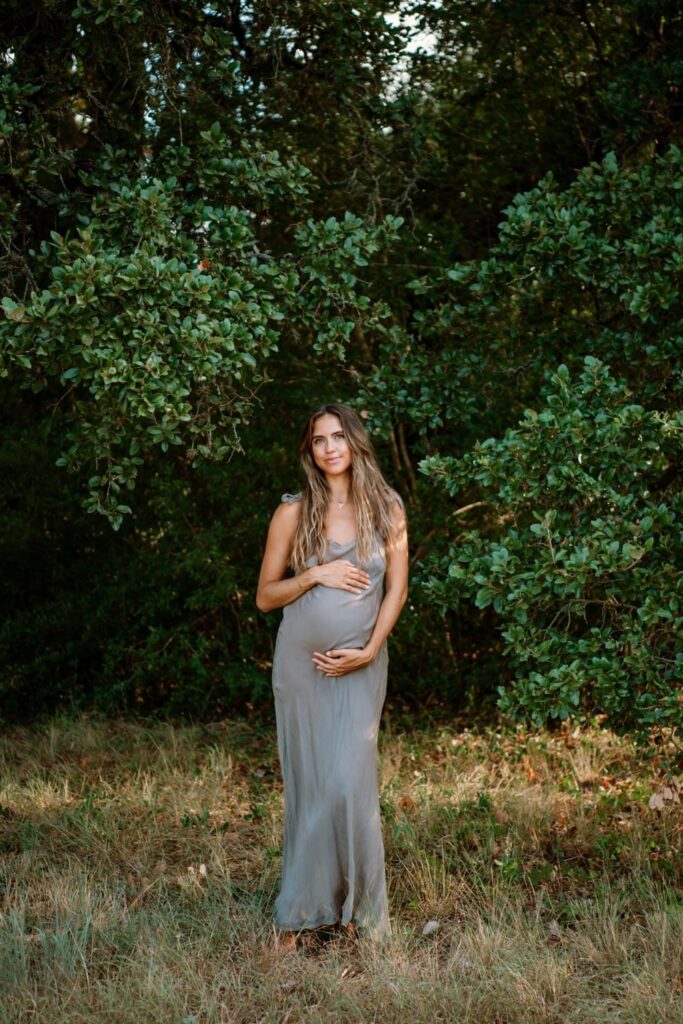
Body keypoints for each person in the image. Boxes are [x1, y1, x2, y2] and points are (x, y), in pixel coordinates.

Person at [256, 402, 409, 951]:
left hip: (361, 665)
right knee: (311, 787)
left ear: (355, 442)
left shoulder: (387, 508)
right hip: (302, 670)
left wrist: (369, 650)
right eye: (319, 439)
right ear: (310, 451)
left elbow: (396, 589)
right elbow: (265, 595)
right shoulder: (294, 514)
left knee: (349, 783)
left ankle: (361, 914)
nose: (330, 447)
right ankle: (301, 913)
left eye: (338, 436)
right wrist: (313, 573)